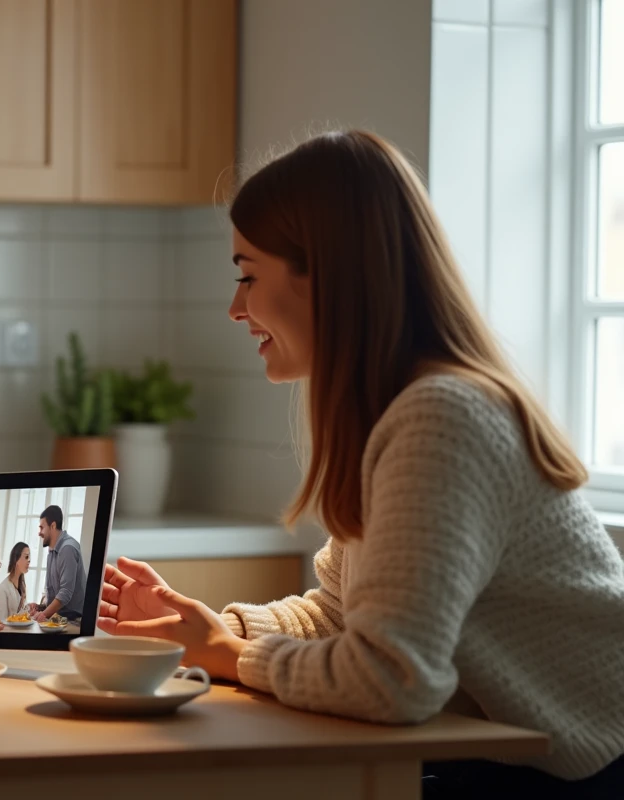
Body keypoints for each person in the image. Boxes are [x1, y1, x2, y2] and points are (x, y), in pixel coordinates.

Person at [96, 130, 624, 798]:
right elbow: (346, 617)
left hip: (574, 776)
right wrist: (216, 629)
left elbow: (391, 681)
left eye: (248, 274)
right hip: (510, 760)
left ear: (327, 272)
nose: (236, 307)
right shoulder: (400, 409)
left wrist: (231, 656)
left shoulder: (441, 419)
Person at [28, 506, 85, 622]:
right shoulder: (52, 552)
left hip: (73, 621)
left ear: (53, 526)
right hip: (60, 618)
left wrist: (42, 614)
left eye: (42, 527)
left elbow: (65, 593)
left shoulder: (67, 548)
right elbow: (52, 592)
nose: (39, 533)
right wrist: (40, 607)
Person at [0, 542, 30, 620]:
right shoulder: (3, 588)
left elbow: (21, 615)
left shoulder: (22, 586)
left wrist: (31, 614)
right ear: (16, 559)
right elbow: (0, 620)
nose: (29, 560)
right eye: (26, 557)